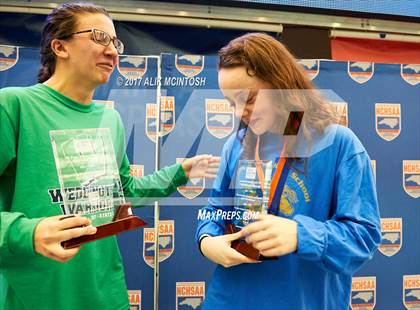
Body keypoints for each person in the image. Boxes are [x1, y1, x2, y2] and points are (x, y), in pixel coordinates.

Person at [0, 2, 219, 310]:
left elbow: (123, 192)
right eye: (99, 38)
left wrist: (179, 171)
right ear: (60, 46)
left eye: (115, 42)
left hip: (106, 295)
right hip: (36, 297)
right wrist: (27, 232)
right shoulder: (14, 107)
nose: (113, 51)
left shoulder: (110, 120)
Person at [196, 33, 381, 309]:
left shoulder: (339, 144)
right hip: (229, 299)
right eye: (230, 102)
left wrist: (300, 235)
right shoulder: (234, 146)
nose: (238, 113)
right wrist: (207, 240)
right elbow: (214, 210)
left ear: (279, 83)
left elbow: (363, 237)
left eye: (248, 99)